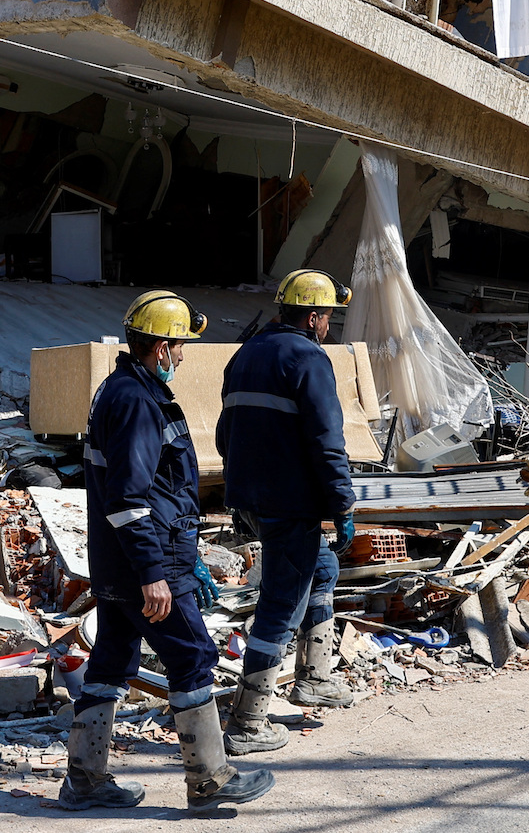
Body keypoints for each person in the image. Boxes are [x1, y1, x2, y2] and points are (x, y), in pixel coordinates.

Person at [63, 290, 275, 814]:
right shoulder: (137, 401)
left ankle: (84, 781)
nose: (182, 355)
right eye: (179, 345)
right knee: (191, 654)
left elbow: (146, 492)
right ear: (159, 347)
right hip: (146, 562)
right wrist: (154, 573)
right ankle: (209, 779)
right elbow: (130, 500)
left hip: (122, 560)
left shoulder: (121, 390)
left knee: (112, 658)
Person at [215, 268, 357, 756]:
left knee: (322, 569)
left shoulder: (245, 354)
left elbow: (223, 433)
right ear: (314, 317)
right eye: (329, 317)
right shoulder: (308, 357)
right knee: (281, 603)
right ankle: (248, 722)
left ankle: (314, 679)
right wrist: (342, 503)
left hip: (251, 497)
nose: (328, 326)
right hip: (290, 501)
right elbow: (326, 441)